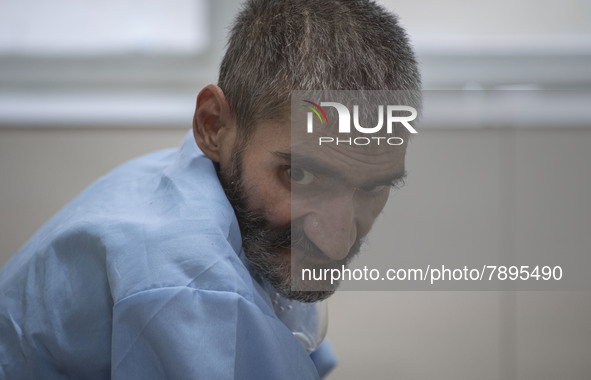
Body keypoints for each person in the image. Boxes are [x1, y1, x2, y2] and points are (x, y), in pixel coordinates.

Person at [0, 0, 421, 378]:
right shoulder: (194, 289)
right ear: (213, 125)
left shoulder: (204, 178)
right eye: (299, 177)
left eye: (374, 188)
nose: (336, 242)